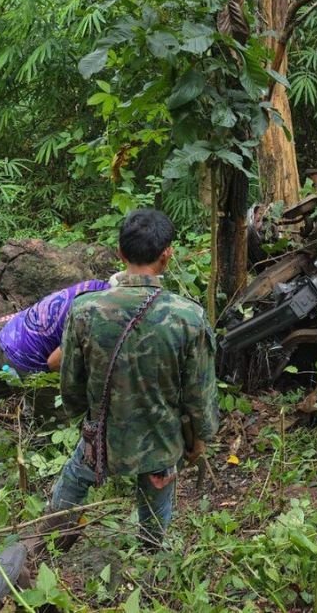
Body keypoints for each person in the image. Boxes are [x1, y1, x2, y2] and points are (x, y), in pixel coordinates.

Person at [47, 209, 218, 549]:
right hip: (160, 442)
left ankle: (49, 536)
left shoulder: (85, 310)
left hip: (103, 437)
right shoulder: (188, 317)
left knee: (74, 480)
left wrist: (85, 413)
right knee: (156, 510)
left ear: (120, 254)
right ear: (167, 253)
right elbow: (199, 393)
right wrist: (200, 438)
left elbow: (71, 385)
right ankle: (151, 554)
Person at [0, 278, 111, 427]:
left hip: (3, 342)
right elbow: (54, 363)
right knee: (63, 422)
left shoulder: (93, 286)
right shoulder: (97, 313)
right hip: (25, 363)